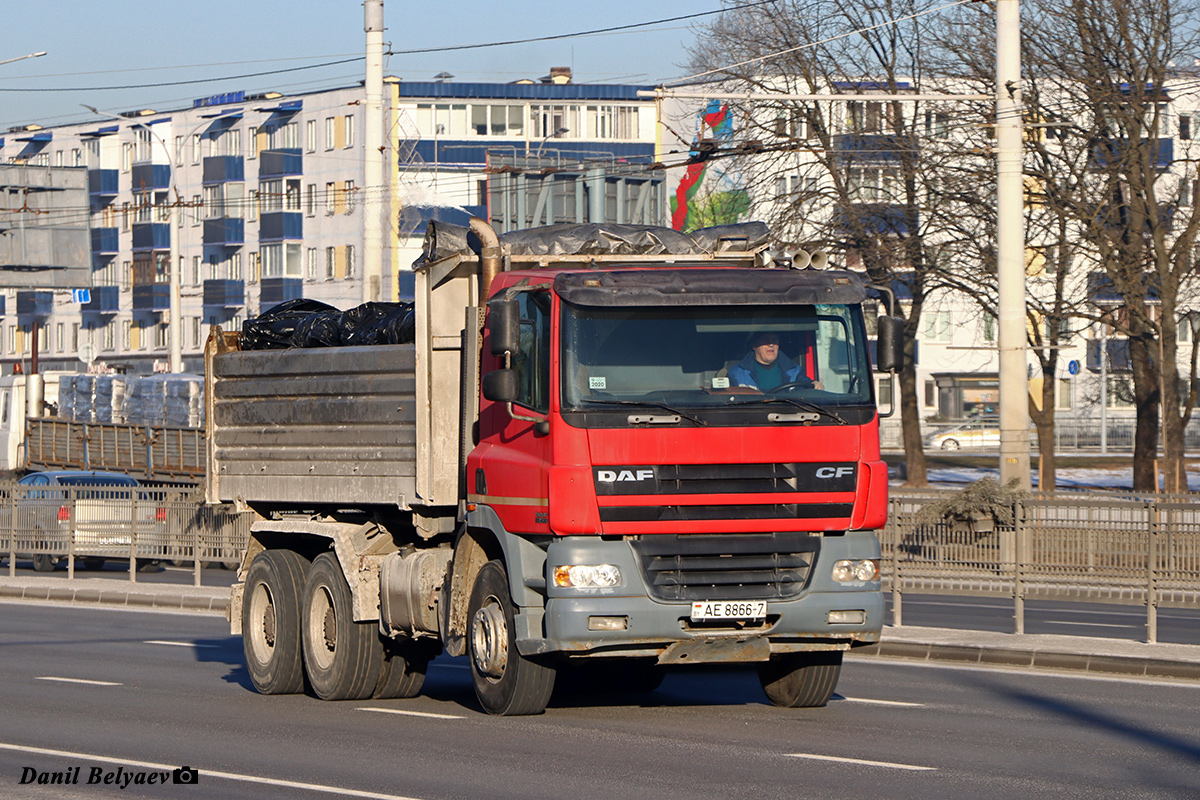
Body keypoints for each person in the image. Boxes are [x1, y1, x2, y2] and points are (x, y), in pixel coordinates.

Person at [727, 332, 822, 391]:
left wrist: (814, 385)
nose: (771, 344)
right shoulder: (736, 374)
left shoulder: (795, 372)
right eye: (765, 340)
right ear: (754, 345)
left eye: (774, 340)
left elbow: (806, 387)